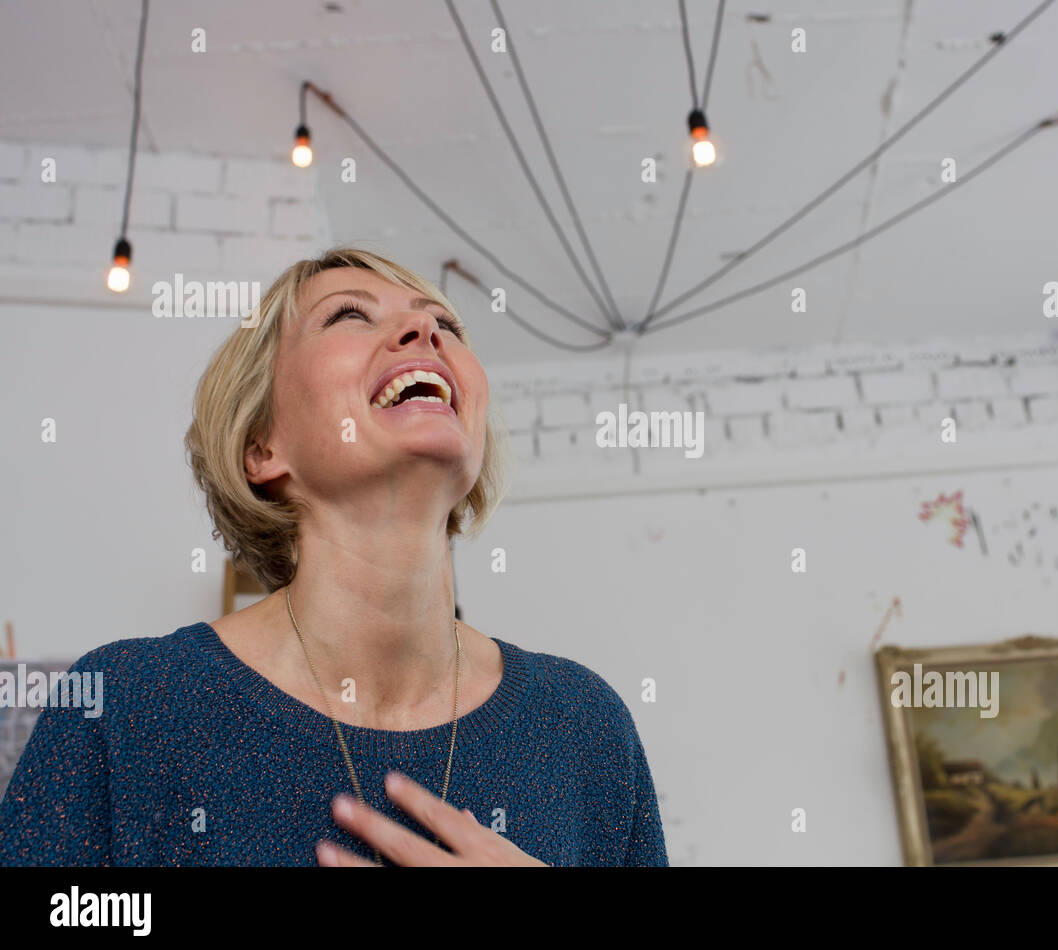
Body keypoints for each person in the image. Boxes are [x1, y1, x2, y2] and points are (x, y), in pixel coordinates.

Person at [0, 247, 668, 866]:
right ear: (261, 444)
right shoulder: (125, 709)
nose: (425, 334)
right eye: (349, 314)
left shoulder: (585, 727)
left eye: (445, 324)